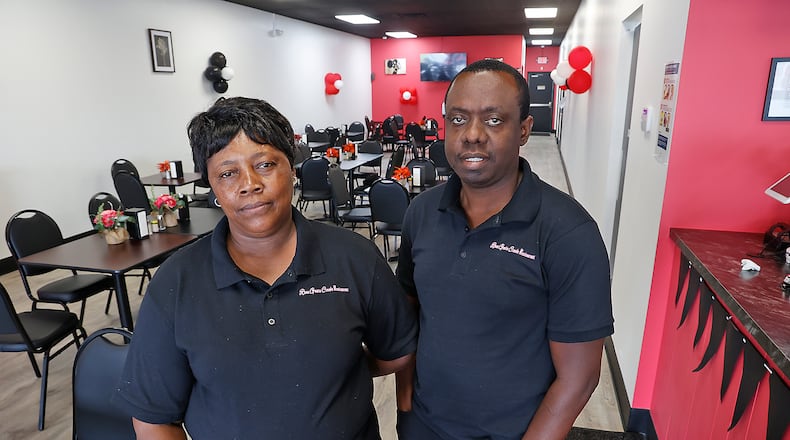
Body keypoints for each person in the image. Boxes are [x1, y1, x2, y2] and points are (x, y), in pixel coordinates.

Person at [113, 97, 418, 439]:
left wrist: (342, 363)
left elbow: (397, 351)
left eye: (265, 164)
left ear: (292, 168)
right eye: (227, 173)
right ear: (213, 187)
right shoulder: (176, 282)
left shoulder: (355, 257)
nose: (249, 184)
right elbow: (153, 419)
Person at [395, 59, 614, 440]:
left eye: (494, 120)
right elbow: (408, 312)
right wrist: (404, 402)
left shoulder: (568, 233)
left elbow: (579, 378)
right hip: (424, 426)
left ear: (524, 130)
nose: (472, 135)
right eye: (458, 119)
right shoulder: (421, 212)